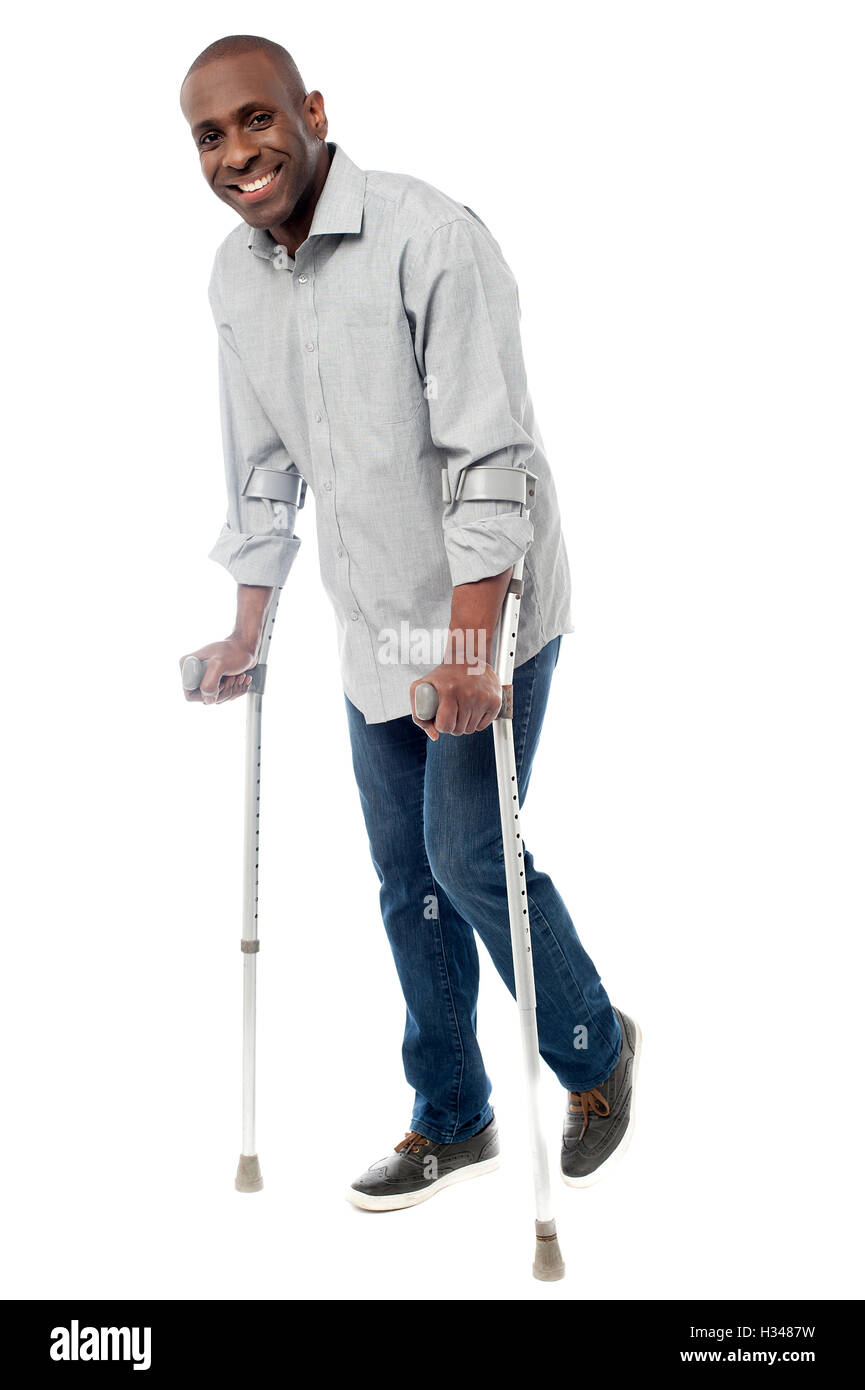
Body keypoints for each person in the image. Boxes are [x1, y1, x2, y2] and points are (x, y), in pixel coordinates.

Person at [178, 33, 641, 1210]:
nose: (239, 152)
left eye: (255, 120)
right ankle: (452, 1116)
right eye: (211, 137)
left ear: (312, 110)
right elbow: (263, 470)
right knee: (406, 878)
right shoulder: (234, 280)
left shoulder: (428, 236)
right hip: (370, 616)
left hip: (488, 608)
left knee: (468, 852)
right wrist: (246, 628)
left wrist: (469, 647)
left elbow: (495, 456)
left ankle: (594, 1049)